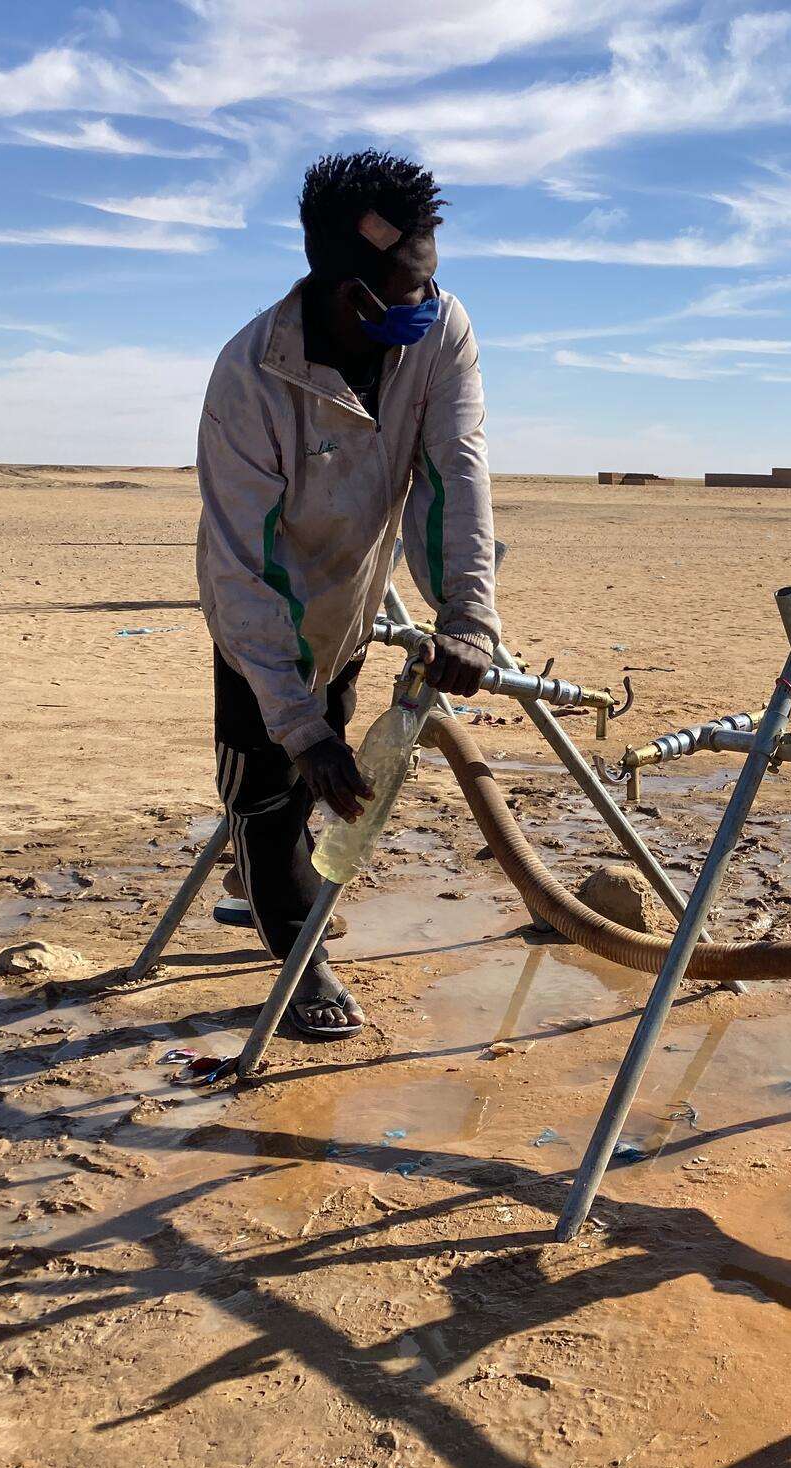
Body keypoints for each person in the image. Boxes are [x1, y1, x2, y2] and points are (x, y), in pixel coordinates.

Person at [196, 150, 500, 1038]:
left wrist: (467, 617)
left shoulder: (441, 332)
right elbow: (239, 561)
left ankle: (264, 874)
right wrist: (294, 723)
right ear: (347, 289)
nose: (426, 301)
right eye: (406, 289)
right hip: (263, 606)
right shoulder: (250, 375)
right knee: (271, 778)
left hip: (355, 595)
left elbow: (456, 474)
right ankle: (300, 958)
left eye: (431, 281)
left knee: (331, 754)